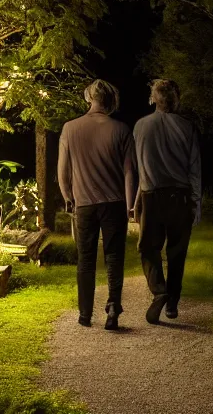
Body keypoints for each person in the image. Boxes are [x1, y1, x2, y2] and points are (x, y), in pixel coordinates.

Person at [58, 79, 137, 330]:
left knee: (86, 259)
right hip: (115, 203)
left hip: (84, 204)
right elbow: (129, 172)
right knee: (114, 257)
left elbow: (63, 170)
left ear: (89, 98)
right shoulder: (121, 129)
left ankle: (85, 313)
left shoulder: (70, 128)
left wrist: (68, 196)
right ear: (110, 100)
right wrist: (130, 204)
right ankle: (113, 307)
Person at [133, 79, 201, 324]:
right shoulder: (187, 127)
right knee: (177, 252)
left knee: (148, 249)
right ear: (176, 99)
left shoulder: (140, 126)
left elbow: (141, 167)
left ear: (153, 98)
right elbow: (194, 169)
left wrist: (137, 201)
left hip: (152, 197)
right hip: (180, 198)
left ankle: (159, 290)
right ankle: (172, 304)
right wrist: (196, 202)